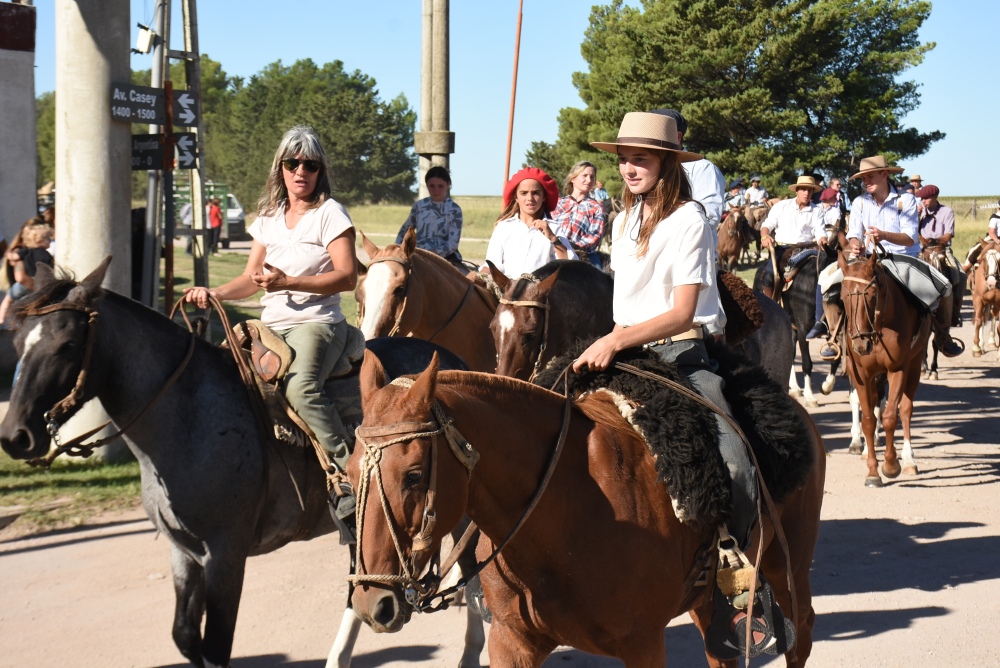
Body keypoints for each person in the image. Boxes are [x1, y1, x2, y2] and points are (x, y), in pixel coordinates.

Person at [572, 112, 788, 659]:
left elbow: (683, 311)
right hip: (623, 351)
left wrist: (616, 341)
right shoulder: (622, 220)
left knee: (734, 458)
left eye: (641, 158)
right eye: (623, 158)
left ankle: (742, 590)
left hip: (682, 353)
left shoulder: (690, 219)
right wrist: (612, 341)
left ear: (668, 162)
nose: (628, 168)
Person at [182, 125, 361, 522]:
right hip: (271, 325)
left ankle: (348, 473)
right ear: (280, 168)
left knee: (301, 387)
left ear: (320, 170)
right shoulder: (267, 218)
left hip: (318, 323)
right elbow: (251, 278)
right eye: (293, 163)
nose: (301, 171)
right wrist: (215, 293)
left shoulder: (330, 214)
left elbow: (349, 277)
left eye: (310, 164)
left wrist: (289, 282)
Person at [845, 155, 962, 357]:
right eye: (863, 178)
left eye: (870, 176)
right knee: (828, 282)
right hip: (867, 262)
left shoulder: (905, 200)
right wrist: (855, 245)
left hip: (902, 259)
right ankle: (834, 335)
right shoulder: (859, 202)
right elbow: (853, 234)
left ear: (884, 174)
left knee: (944, 286)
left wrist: (883, 235)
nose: (866, 182)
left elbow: (910, 238)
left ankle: (943, 336)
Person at [483, 167, 577, 277]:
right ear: (516, 197)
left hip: (540, 291)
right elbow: (492, 264)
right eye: (523, 193)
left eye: (536, 193)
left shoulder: (553, 228)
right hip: (506, 291)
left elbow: (571, 265)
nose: (530, 198)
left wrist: (553, 239)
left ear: (543, 197)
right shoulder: (503, 227)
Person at [649, 109, 727, 231]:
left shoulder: (703, 168)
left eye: (656, 133)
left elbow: (708, 218)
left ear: (678, 137)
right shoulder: (646, 168)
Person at [758, 175, 825, 300]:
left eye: (810, 190)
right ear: (796, 190)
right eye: (803, 189)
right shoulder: (781, 206)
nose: (807, 193)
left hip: (807, 249)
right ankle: (770, 306)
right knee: (769, 276)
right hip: (783, 249)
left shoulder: (817, 210)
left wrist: (823, 239)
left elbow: (820, 231)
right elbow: (767, 225)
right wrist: (765, 237)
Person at [395, 165, 465, 270]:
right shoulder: (419, 206)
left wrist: (434, 254)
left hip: (446, 257)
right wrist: (399, 249)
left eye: (440, 186)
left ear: (448, 185)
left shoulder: (455, 210)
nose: (436, 190)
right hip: (417, 254)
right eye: (432, 186)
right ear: (427, 185)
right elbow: (405, 230)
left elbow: (453, 243)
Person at [917, 185, 966, 326]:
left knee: (961, 276)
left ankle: (954, 311)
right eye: (922, 199)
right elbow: (913, 232)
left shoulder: (947, 211)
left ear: (934, 197)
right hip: (923, 249)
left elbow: (948, 234)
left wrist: (936, 240)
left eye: (925, 198)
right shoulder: (920, 212)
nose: (923, 201)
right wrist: (917, 215)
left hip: (942, 249)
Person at [551, 160, 608, 268]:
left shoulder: (596, 207)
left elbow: (594, 235)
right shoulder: (557, 203)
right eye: (584, 176)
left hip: (580, 257)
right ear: (573, 178)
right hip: (552, 252)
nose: (589, 180)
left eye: (592, 177)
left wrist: (573, 248)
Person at [805, 187, 844, 339]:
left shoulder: (835, 211)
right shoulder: (820, 208)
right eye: (833, 197)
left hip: (827, 237)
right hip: (814, 239)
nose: (835, 200)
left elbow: (833, 227)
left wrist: (823, 239)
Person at [0, 221, 54, 325]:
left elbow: (13, 257)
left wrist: (8, 253)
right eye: (48, 238)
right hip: (36, 282)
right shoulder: (46, 255)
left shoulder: (25, 252)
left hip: (21, 285)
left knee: (8, 299)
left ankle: (2, 317)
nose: (50, 241)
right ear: (39, 241)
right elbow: (49, 270)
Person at [962, 200, 1000, 272]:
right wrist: (997, 241)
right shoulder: (995, 218)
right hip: (993, 239)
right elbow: (991, 232)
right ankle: (965, 269)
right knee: (974, 250)